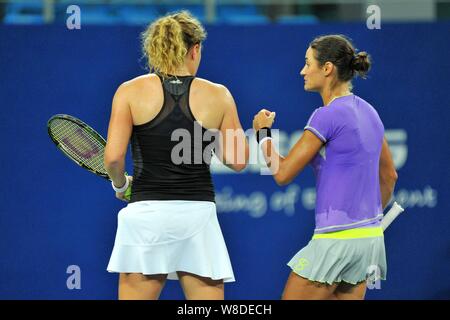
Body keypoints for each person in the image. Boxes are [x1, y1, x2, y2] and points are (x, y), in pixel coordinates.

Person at [104, 11, 249, 300]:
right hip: (197, 219)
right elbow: (238, 160)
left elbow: (113, 159)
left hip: (146, 217)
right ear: (195, 49)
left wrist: (121, 185)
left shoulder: (129, 92)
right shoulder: (219, 95)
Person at [253, 35, 398, 300]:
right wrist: (368, 217)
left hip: (335, 240)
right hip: (369, 241)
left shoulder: (326, 115)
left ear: (327, 68)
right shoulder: (370, 112)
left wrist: (263, 134)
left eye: (308, 64)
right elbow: (390, 176)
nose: (303, 71)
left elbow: (282, 174)